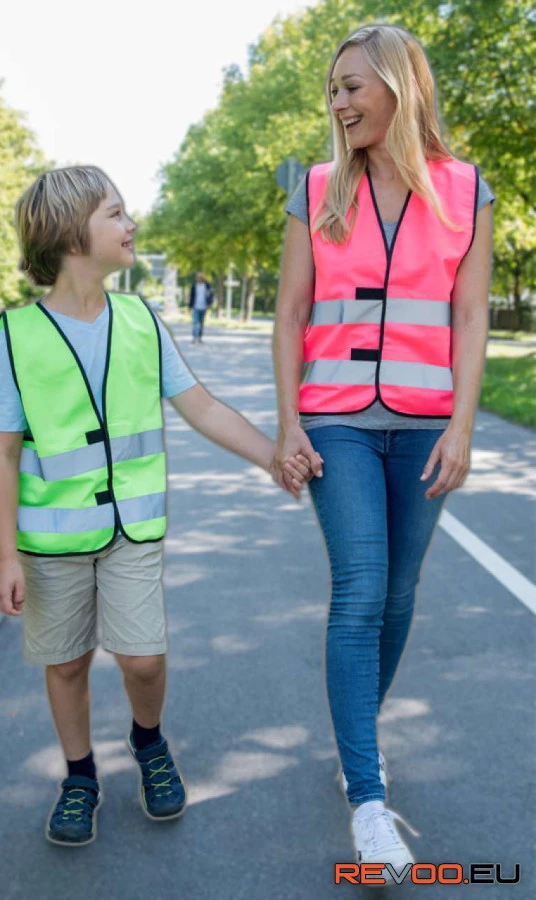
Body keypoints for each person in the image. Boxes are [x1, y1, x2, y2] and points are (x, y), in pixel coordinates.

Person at [0, 166, 312, 847]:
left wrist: (275, 453)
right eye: (116, 213)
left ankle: (149, 742)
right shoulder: (18, 335)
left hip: (134, 532)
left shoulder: (139, 318)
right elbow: (3, 453)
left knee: (143, 661)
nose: (132, 225)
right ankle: (79, 776)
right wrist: (5, 553)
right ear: (73, 236)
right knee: (66, 663)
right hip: (51, 542)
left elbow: (203, 407)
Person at [272, 24, 493, 881]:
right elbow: (290, 313)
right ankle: (368, 800)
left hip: (428, 422)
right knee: (360, 587)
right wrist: (289, 423)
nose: (338, 101)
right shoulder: (316, 186)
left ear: (402, 86)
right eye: (333, 89)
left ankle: (354, 735)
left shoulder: (465, 189)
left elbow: (470, 316)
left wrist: (464, 427)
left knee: (399, 596)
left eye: (353, 85)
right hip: (337, 422)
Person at [189, 271, 214, 343]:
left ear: (202, 278)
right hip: (195, 307)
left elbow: (211, 294)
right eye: (197, 277)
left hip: (204, 307)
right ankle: (194, 338)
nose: (198, 278)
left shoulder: (207, 286)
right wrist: (190, 306)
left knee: (201, 323)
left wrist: (210, 303)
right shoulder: (194, 286)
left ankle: (199, 337)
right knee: (195, 322)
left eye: (200, 277)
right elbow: (191, 297)